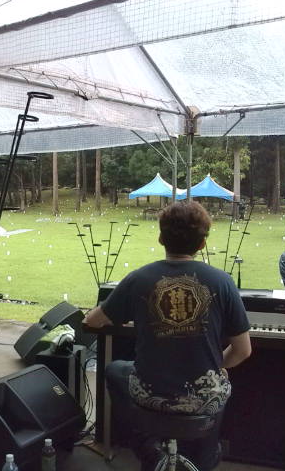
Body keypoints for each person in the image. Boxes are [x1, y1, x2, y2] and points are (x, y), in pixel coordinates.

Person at [84, 201, 251, 471]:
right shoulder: (223, 282)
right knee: (219, 384)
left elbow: (92, 321)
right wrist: (214, 367)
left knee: (115, 370)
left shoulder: (138, 279)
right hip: (203, 398)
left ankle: (147, 448)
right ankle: (206, 456)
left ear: (161, 238)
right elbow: (243, 351)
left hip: (150, 395)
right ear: (202, 244)